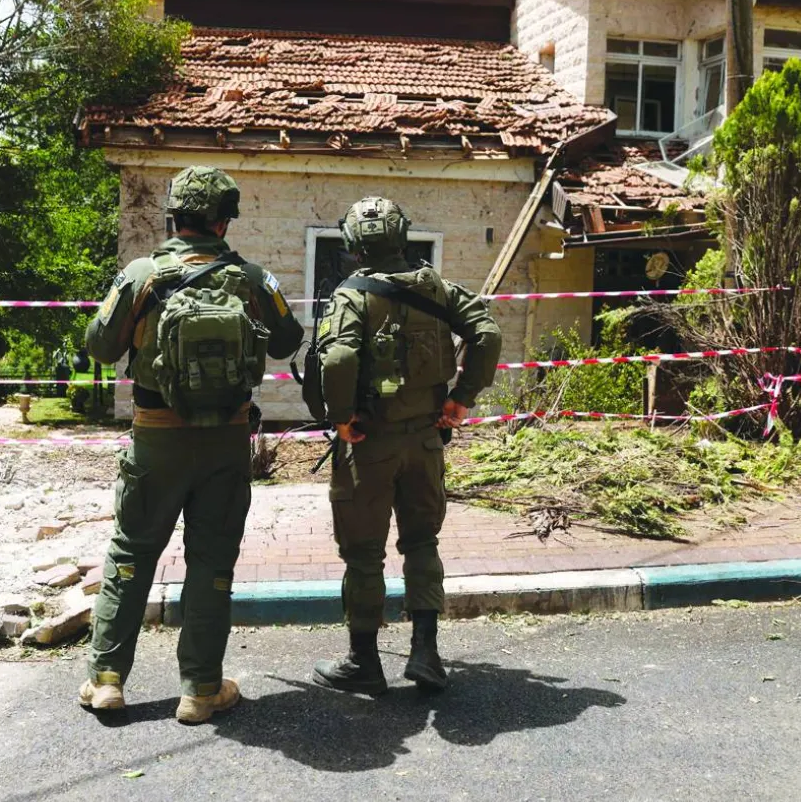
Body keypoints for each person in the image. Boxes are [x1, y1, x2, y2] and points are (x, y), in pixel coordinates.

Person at [80, 165, 304, 723]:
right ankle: (201, 689)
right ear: (224, 221)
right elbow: (289, 340)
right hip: (226, 442)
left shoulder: (139, 275)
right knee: (211, 561)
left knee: (132, 551)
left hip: (156, 439)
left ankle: (107, 680)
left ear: (173, 215)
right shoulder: (253, 278)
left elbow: (100, 348)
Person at [310, 196, 501, 694]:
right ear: (403, 237)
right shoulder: (437, 287)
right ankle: (426, 653)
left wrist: (341, 417)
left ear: (353, 247)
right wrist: (461, 399)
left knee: (364, 554)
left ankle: (364, 662)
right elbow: (486, 333)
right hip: (426, 441)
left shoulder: (351, 296)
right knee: (422, 542)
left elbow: (336, 361)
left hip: (369, 444)